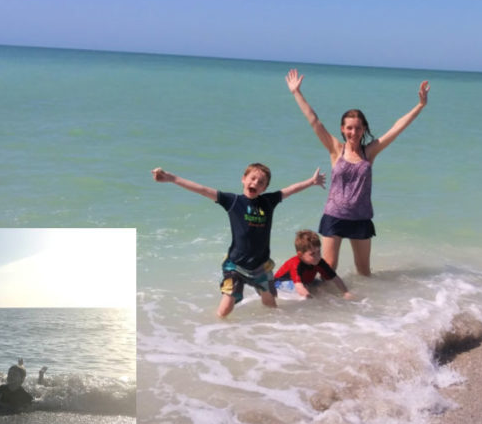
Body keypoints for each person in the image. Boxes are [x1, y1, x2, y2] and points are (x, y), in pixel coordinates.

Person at [286, 68, 429, 276]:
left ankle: (364, 307)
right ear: (343, 129)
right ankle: (322, 305)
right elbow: (315, 122)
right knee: (328, 270)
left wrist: (420, 106)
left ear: (363, 130)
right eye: (350, 128)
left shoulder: (369, 152)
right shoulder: (336, 149)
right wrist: (296, 93)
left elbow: (396, 128)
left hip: (360, 217)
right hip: (334, 216)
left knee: (364, 272)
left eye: (358, 128)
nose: (354, 132)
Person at [151, 163, 325, 318]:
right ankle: (216, 330)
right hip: (235, 266)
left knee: (271, 304)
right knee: (226, 308)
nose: (255, 183)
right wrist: (171, 178)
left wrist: (311, 182)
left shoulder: (268, 202)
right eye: (253, 178)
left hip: (261, 265)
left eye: (261, 182)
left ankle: (272, 331)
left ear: (265, 188)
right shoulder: (233, 201)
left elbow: (291, 190)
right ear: (243, 179)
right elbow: (202, 189)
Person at [274, 230, 353, 300]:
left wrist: (346, 292)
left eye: (319, 252)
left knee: (324, 285)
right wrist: (312, 301)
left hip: (304, 281)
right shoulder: (295, 264)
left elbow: (335, 277)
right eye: (312, 254)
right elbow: (298, 286)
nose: (317, 256)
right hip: (280, 283)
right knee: (303, 289)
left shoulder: (319, 261)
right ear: (300, 254)